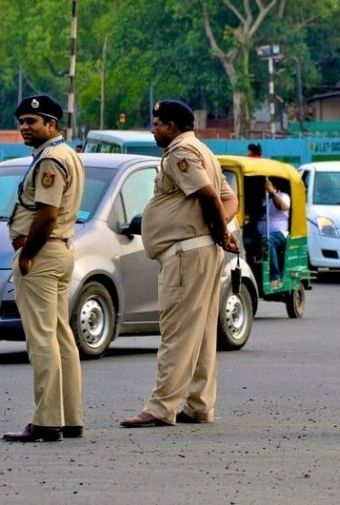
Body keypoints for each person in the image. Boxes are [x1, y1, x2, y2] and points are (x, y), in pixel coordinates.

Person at [120, 100, 239, 428]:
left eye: (157, 123)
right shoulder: (204, 151)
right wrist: (221, 231)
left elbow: (211, 196)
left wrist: (221, 231)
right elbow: (230, 199)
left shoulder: (180, 152)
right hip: (199, 251)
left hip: (187, 254)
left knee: (177, 330)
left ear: (172, 126)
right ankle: (198, 404)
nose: (153, 129)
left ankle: (161, 407)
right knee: (201, 333)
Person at [3, 94, 85, 443]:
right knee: (61, 336)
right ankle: (69, 417)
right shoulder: (68, 154)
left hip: (42, 254)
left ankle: (47, 421)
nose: (24, 127)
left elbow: (47, 214)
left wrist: (27, 255)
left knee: (42, 339)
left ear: (52, 125)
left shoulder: (50, 159)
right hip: (60, 251)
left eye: (32, 121)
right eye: (22, 121)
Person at [257, 177, 290, 288]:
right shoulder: (263, 200)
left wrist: (272, 192)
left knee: (268, 240)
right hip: (262, 234)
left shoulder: (283, 196)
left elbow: (282, 207)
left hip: (280, 234)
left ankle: (275, 277)